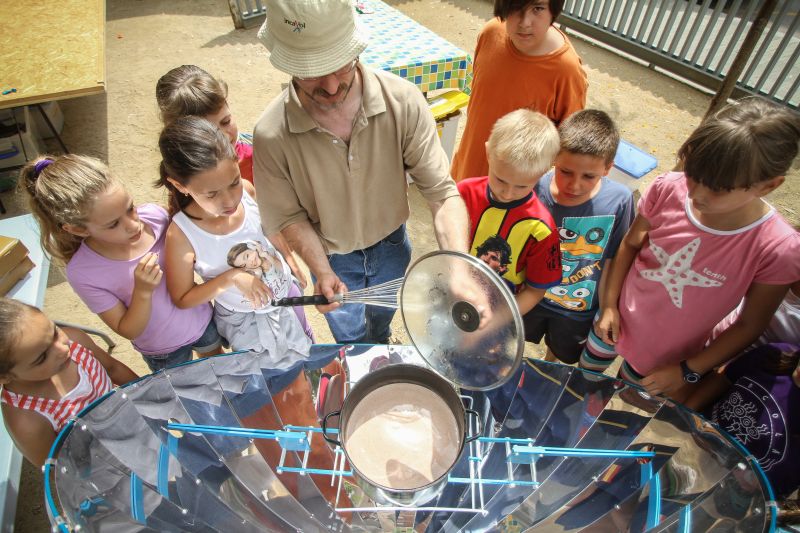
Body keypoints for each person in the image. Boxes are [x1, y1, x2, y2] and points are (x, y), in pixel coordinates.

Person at [252, 0, 470, 344]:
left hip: (393, 245)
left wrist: (459, 270)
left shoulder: (404, 101)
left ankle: (379, 340)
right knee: (348, 333)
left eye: (341, 66)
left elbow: (442, 193)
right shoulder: (270, 134)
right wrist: (321, 271)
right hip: (332, 257)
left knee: (383, 319)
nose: (331, 86)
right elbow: (289, 216)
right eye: (310, 72)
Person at [581, 97, 800, 403]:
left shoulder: (778, 247)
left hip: (670, 359)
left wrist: (687, 370)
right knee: (583, 381)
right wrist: (609, 305)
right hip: (611, 325)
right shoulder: (668, 187)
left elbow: (751, 324)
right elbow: (631, 244)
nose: (697, 194)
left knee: (628, 406)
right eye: (693, 176)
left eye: (718, 189)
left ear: (768, 186)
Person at [20, 155, 223, 373]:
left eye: (130, 208)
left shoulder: (156, 218)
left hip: (203, 321)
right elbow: (128, 329)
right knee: (188, 391)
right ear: (77, 229)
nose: (133, 225)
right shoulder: (84, 273)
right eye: (113, 224)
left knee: (222, 368)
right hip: (163, 351)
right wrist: (142, 292)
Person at [157, 116, 311, 369]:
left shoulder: (248, 192)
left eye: (233, 183)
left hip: (287, 296)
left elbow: (268, 229)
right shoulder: (182, 235)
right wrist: (231, 278)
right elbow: (183, 298)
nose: (229, 200)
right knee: (271, 375)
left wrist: (289, 259)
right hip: (246, 322)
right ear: (179, 186)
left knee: (305, 353)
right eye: (212, 194)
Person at [528, 110, 634, 364]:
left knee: (557, 357)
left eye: (588, 176)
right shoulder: (534, 186)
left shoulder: (619, 201)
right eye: (565, 171)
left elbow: (613, 260)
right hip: (530, 295)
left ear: (608, 167)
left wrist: (609, 306)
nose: (574, 185)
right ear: (554, 157)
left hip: (577, 309)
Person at [450, 0, 588, 182]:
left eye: (537, 9)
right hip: (464, 175)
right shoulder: (490, 33)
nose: (525, 22)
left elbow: (567, 149)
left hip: (511, 194)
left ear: (553, 11)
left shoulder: (567, 71)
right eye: (516, 7)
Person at [0, 298, 137, 466]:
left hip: (130, 421)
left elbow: (113, 368)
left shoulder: (75, 340)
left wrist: (152, 394)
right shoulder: (26, 421)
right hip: (105, 464)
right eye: (42, 357)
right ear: (4, 377)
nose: (63, 349)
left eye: (55, 332)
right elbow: (58, 468)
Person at [457, 109, 562, 319]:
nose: (507, 193)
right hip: (455, 293)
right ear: (488, 152)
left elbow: (535, 290)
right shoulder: (463, 193)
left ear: (544, 172)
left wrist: (497, 322)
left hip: (498, 313)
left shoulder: (540, 229)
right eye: (501, 180)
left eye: (521, 186)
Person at [156, 65, 255, 184]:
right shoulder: (182, 172)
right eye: (207, 132)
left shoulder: (257, 152)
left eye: (226, 121)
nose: (224, 136)